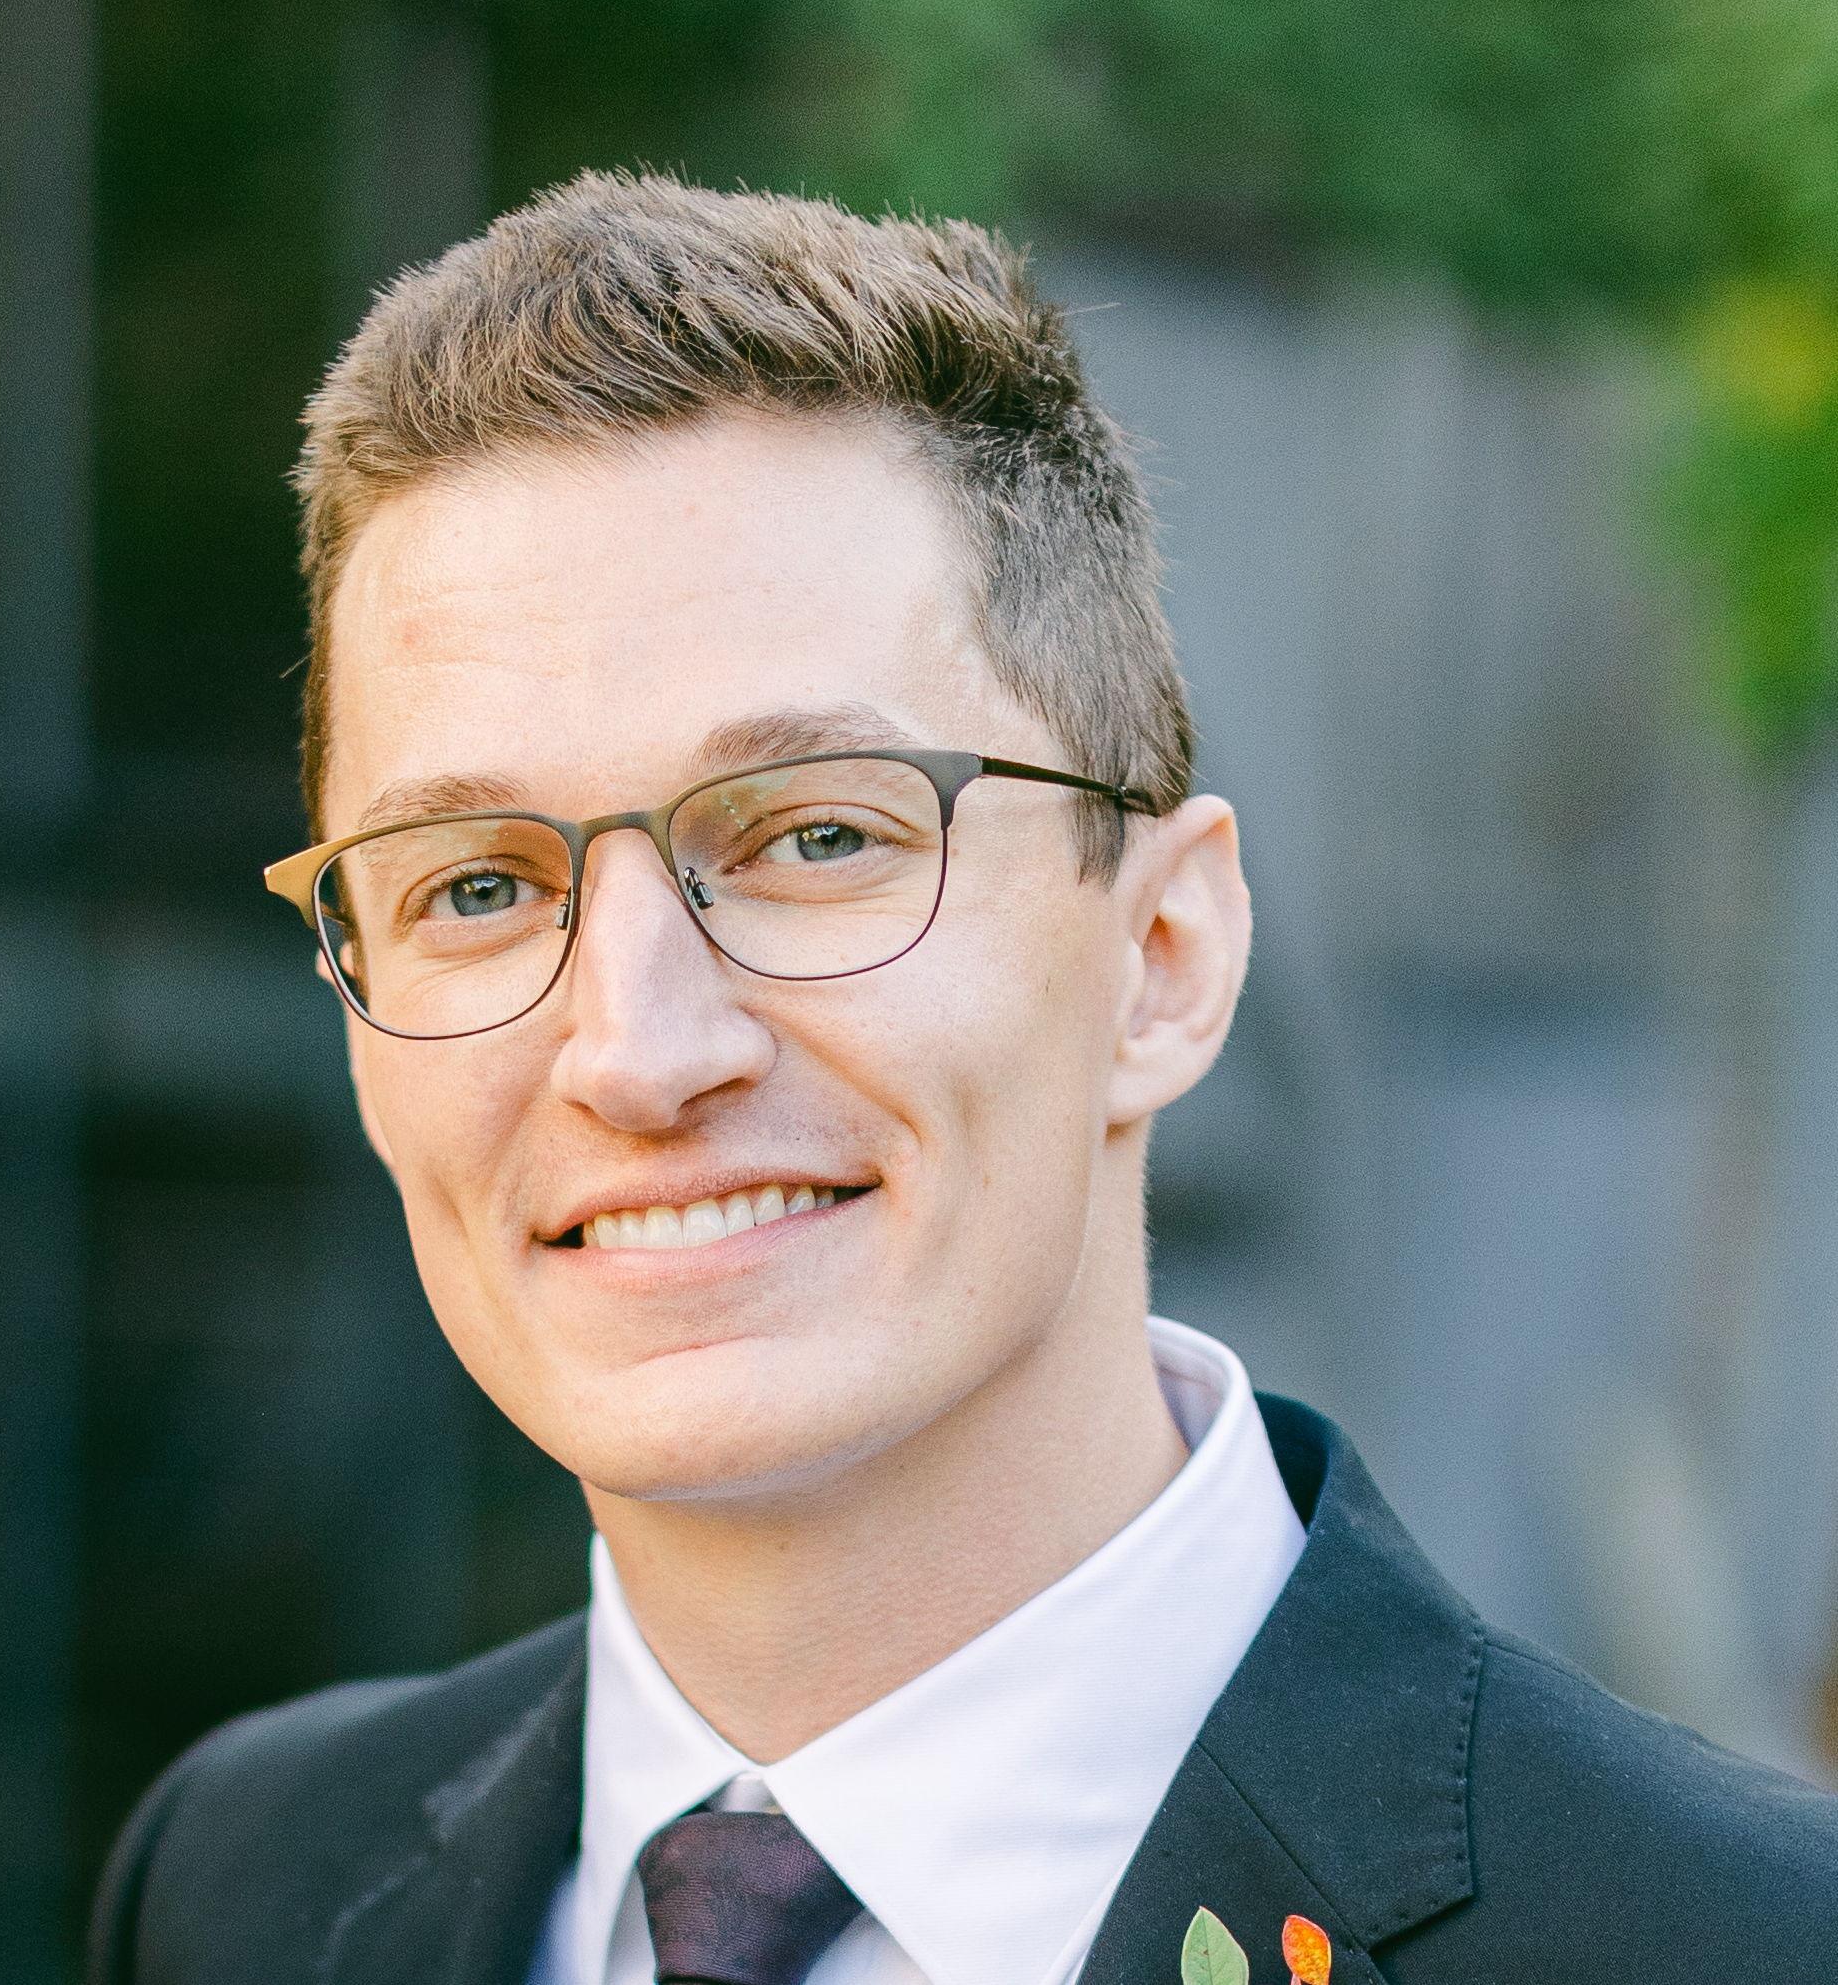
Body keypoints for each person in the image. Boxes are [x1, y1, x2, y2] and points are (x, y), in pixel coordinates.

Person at [90, 170, 1838, 1985]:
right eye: (475, 887)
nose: (636, 1049)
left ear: (1164, 957)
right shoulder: (242, 1885)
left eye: (815, 838)